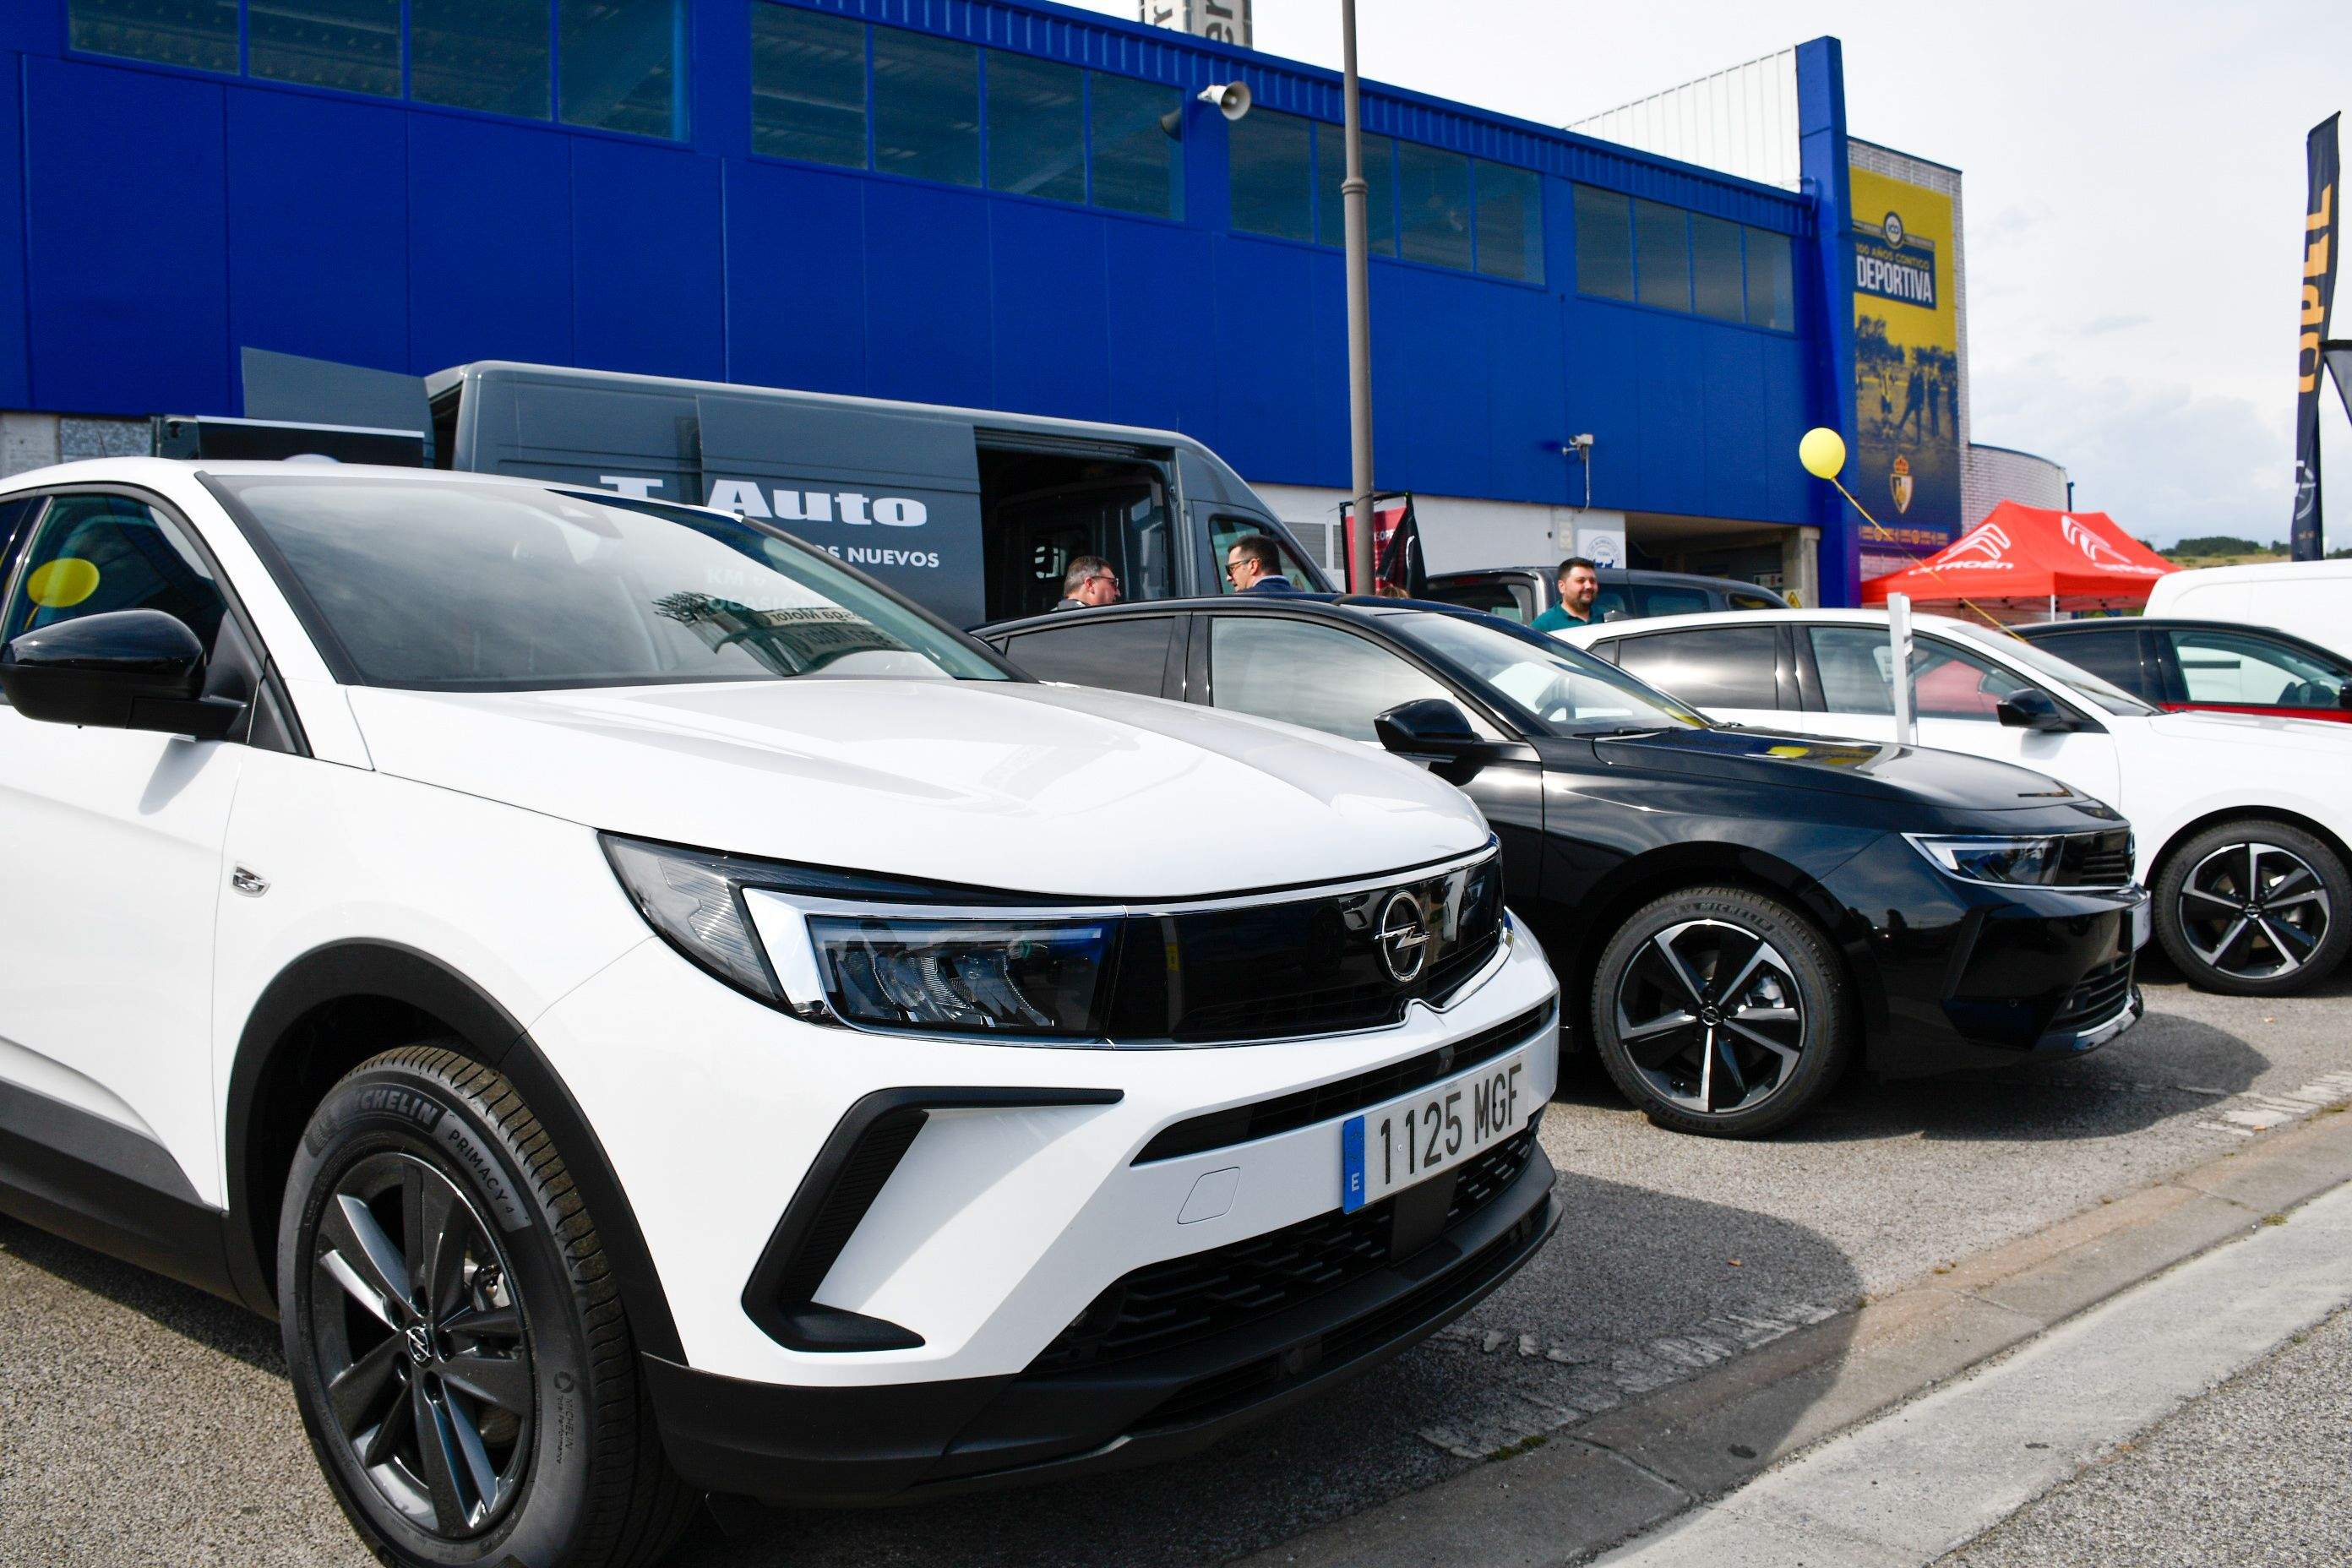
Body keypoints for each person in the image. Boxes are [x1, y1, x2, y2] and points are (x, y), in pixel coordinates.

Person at [1531, 557, 1600, 632]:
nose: (1589, 586)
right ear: (1562, 587)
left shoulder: (1608, 618)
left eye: (1592, 581)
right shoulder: (1543, 626)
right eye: (1581, 581)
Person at [1224, 535, 1298, 595]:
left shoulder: (1241, 601)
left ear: (1253, 566)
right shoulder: (1305, 599)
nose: (1228, 577)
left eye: (1231, 568)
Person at [1054, 556, 1119, 611]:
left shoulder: (1050, 619)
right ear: (1090, 584)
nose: (1118, 593)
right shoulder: (1093, 622)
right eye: (1113, 583)